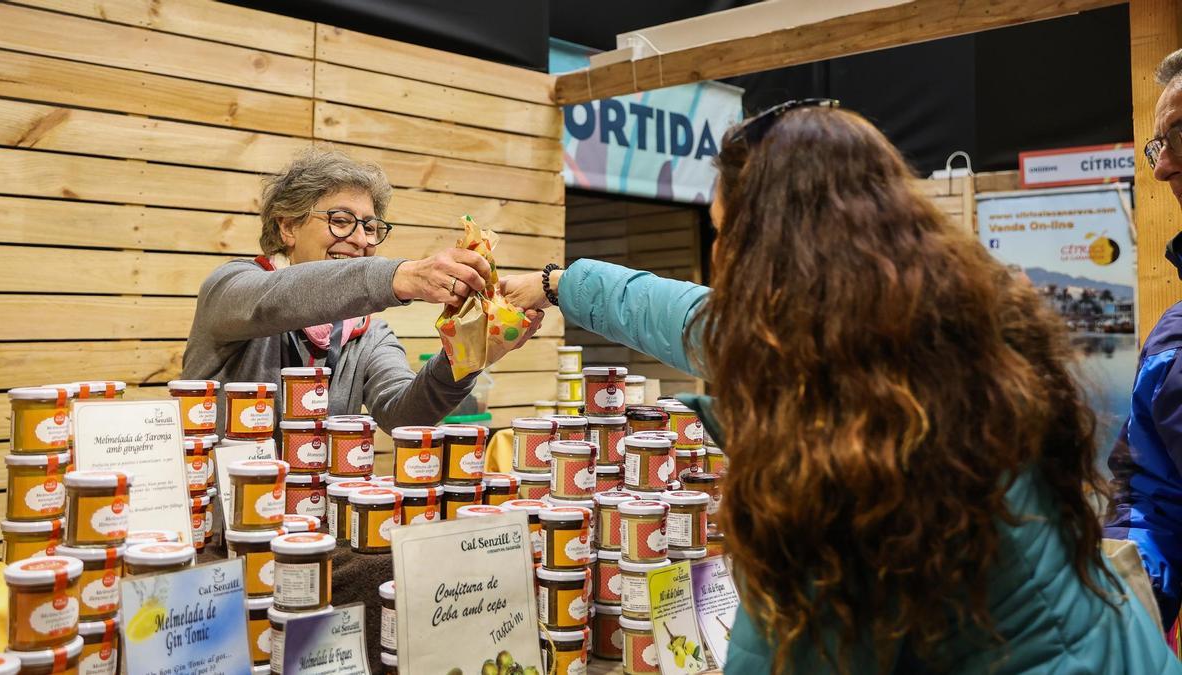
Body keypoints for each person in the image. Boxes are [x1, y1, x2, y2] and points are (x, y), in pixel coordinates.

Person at [502, 100, 1177, 672]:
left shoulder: (834, 446)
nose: (716, 255)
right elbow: (687, 315)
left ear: (766, 252)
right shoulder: (950, 330)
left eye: (723, 233)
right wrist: (558, 284)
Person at [182, 147, 541, 429]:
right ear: (287, 227)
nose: (359, 239)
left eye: (370, 227)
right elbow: (281, 298)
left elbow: (402, 415)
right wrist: (401, 276)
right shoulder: (231, 288)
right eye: (340, 221)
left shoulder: (368, 333)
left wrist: (467, 355)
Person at [1106, 47, 1182, 635]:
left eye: (1180, 137)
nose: (1161, 169)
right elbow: (1151, 500)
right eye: (1159, 146)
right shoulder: (1169, 344)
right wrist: (1126, 615)